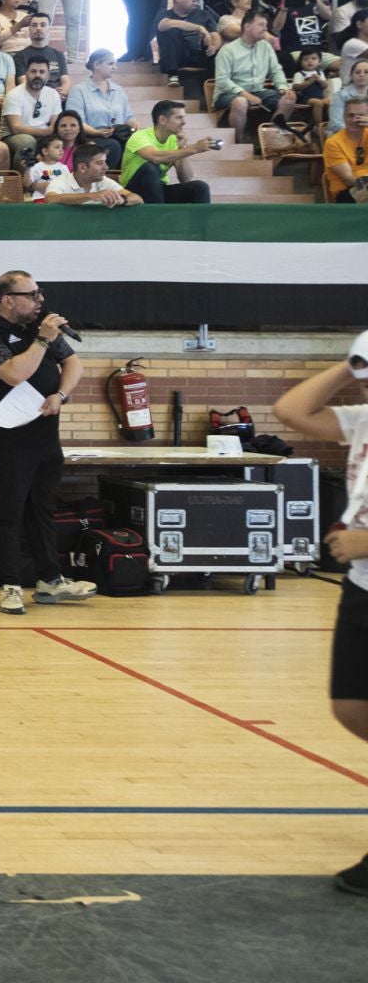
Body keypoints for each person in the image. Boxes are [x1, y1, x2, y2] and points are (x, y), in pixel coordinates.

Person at [270, 331, 368, 897]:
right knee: (352, 707)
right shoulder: (361, 423)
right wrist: (347, 366)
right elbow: (291, 410)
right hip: (360, 586)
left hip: (363, 563)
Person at [0, 271, 98, 617]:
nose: (40, 300)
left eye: (40, 293)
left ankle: (50, 581)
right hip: (9, 439)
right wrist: (42, 340)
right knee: (9, 512)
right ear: (7, 299)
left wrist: (60, 394)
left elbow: (73, 363)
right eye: (31, 294)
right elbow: (14, 374)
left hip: (44, 435)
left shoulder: (39, 326)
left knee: (42, 510)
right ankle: (11, 585)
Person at [214, 10, 298, 141]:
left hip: (258, 91)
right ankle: (238, 142)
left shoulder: (266, 47)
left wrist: (283, 87)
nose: (265, 29)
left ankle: (270, 140)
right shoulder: (228, 50)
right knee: (241, 102)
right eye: (261, 25)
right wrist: (245, 94)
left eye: (265, 25)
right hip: (228, 94)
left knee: (289, 99)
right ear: (247, 27)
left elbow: (276, 70)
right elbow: (222, 81)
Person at [120, 100, 215, 205]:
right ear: (163, 119)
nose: (184, 122)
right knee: (150, 168)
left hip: (158, 190)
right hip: (133, 191)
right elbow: (155, 157)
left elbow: (185, 178)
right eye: (179, 118)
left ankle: (202, 222)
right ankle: (160, 218)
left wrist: (182, 147)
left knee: (200, 187)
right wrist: (193, 149)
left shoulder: (175, 140)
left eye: (183, 117)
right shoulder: (140, 136)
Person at [42, 140, 143, 206]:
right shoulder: (61, 181)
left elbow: (138, 199)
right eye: (100, 163)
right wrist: (92, 196)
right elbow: (51, 198)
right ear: (82, 167)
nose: (106, 167)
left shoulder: (105, 181)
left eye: (105, 162)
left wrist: (122, 200)